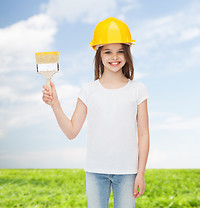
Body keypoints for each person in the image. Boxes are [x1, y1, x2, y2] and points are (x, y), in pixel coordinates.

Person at [42, 17, 150, 208]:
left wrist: (140, 172)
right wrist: (55, 104)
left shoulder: (138, 90)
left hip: (128, 171)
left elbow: (143, 134)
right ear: (98, 54)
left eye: (120, 51)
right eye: (108, 51)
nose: (114, 57)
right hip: (95, 170)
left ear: (127, 54)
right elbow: (71, 131)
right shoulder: (88, 90)